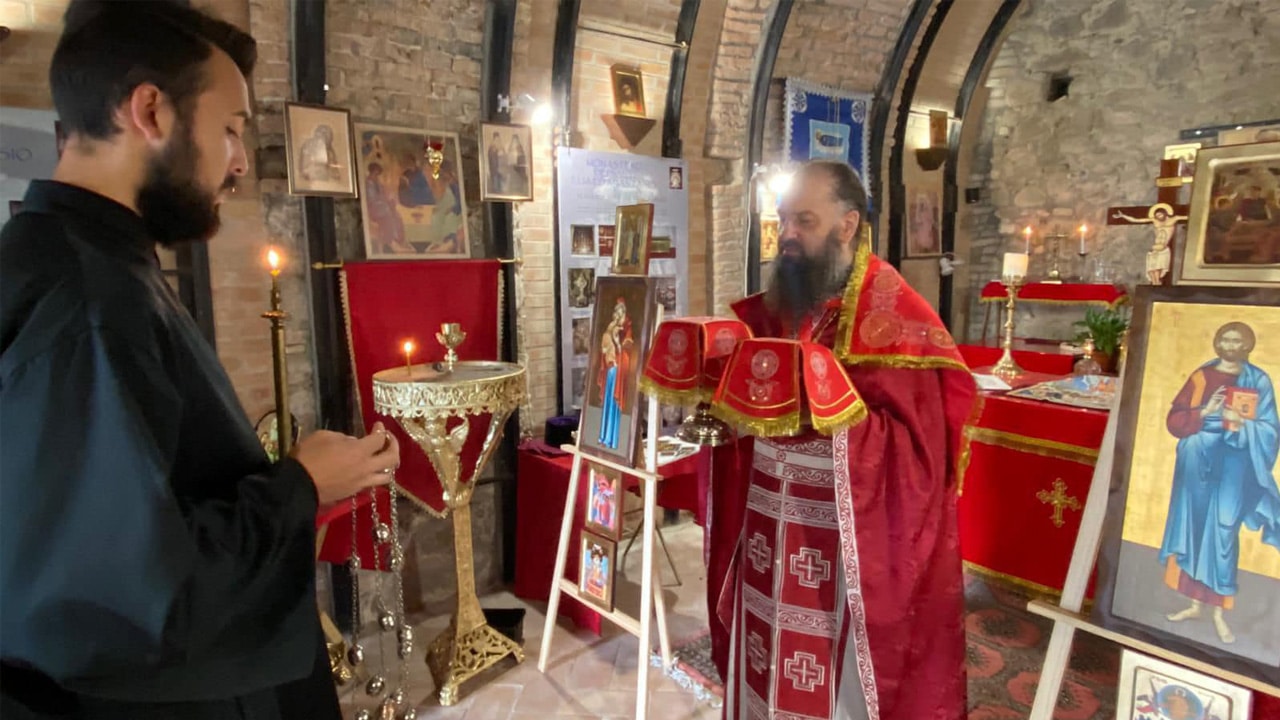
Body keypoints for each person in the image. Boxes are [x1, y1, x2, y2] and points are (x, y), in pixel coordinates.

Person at [0, 3, 402, 719]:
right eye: (230, 130)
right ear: (150, 111)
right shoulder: (88, 297)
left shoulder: (89, 263)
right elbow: (126, 594)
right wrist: (302, 483)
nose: (241, 162)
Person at [706, 160, 976, 720]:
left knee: (830, 681)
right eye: (784, 219)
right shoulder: (780, 308)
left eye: (805, 219)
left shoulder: (899, 320)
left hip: (843, 542)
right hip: (766, 528)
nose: (789, 234)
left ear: (848, 224)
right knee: (765, 655)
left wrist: (831, 413)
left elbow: (921, 457)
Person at [1161, 321, 1280, 645]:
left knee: (1223, 529)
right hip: (1199, 463)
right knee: (1196, 530)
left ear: (1247, 345)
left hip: (1236, 464)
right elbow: (1175, 420)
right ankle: (1195, 605)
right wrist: (1205, 410)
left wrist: (1245, 425)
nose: (1230, 345)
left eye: (1236, 340)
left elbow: (1270, 431)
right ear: (1217, 342)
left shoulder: (1259, 380)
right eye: (1225, 338)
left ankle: (1220, 614)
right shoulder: (1201, 377)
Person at [596, 296, 634, 450]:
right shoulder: (611, 327)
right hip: (612, 367)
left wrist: (619, 343)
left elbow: (627, 346)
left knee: (615, 402)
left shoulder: (627, 326)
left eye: (620, 310)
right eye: (616, 310)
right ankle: (606, 436)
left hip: (621, 365)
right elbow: (606, 347)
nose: (617, 313)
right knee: (609, 400)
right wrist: (611, 344)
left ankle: (613, 437)